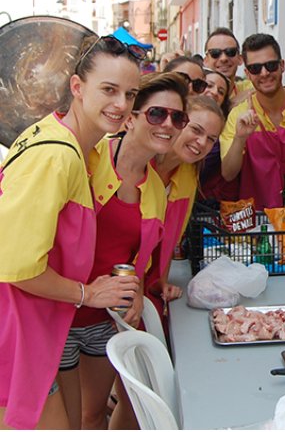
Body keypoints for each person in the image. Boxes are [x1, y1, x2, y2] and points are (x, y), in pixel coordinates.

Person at [0, 35, 142, 429]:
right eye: (109, 90)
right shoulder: (57, 154)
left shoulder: (81, 147)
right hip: (15, 329)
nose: (121, 105)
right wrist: (88, 294)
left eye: (130, 94)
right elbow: (18, 266)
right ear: (77, 88)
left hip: (35, 328)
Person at [58, 72, 189, 430]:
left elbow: (136, 262)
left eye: (178, 118)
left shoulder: (156, 190)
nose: (168, 124)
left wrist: (134, 294)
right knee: (63, 421)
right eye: (157, 114)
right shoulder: (87, 159)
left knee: (92, 414)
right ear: (130, 117)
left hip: (102, 320)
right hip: (59, 308)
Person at [149, 96, 226, 318]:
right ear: (179, 122)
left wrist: (161, 282)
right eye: (196, 130)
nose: (202, 143)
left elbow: (170, 238)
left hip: (144, 292)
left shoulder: (188, 174)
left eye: (211, 139)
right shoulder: (141, 163)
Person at [221, 33, 285, 209]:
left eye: (270, 65)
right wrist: (240, 138)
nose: (264, 73)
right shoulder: (238, 115)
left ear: (282, 66)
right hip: (259, 223)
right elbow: (228, 173)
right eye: (255, 68)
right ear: (247, 73)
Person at [198, 69, 239, 204]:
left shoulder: (225, 131)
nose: (215, 92)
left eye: (221, 92)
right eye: (209, 85)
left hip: (207, 206)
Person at [204, 27, 250, 103]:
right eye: (215, 53)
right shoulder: (197, 93)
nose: (223, 58)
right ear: (205, 61)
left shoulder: (251, 88)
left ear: (240, 59)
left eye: (230, 52)